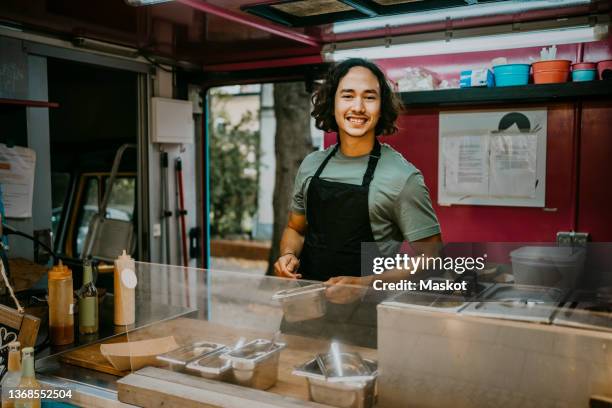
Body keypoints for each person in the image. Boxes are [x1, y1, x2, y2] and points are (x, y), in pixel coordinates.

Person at [274, 58, 441, 294]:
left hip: (366, 318)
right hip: (305, 306)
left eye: (369, 97)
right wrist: (288, 255)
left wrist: (366, 283)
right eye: (348, 95)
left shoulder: (402, 177)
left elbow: (431, 257)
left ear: (381, 106)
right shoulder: (312, 165)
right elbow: (295, 228)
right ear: (332, 103)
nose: (359, 107)